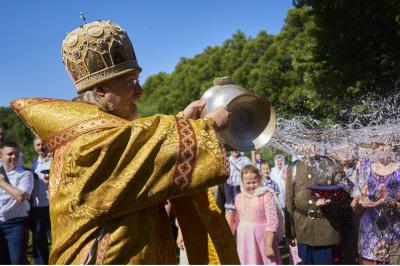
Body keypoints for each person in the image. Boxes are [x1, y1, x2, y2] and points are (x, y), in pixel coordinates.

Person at [12, 20, 239, 264]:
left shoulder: (105, 134)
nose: (140, 91)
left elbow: (141, 147)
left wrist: (184, 121)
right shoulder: (87, 143)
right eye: (130, 82)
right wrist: (208, 126)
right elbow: (145, 149)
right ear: (100, 90)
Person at [285, 144, 342, 265]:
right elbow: (288, 201)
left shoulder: (333, 165)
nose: (313, 147)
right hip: (302, 228)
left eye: (316, 142)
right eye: (308, 142)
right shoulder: (294, 167)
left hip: (325, 226)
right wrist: (289, 231)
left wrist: (330, 202)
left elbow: (344, 195)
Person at [352, 143, 400, 264]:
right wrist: (362, 202)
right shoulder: (364, 167)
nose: (381, 148)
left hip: (395, 237)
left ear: (393, 144)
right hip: (369, 236)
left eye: (385, 144)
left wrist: (393, 203)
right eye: (377, 144)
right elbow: (354, 207)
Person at [232, 164, 282, 265]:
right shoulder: (238, 198)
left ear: (259, 179)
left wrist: (268, 245)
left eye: (254, 182)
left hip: (262, 240)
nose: (251, 186)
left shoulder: (266, 195)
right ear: (242, 182)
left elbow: (272, 222)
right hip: (244, 240)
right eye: (248, 183)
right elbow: (236, 220)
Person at [0, 141, 34, 264]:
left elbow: (21, 196)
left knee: (17, 261)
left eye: (16, 154)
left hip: (16, 224)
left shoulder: (25, 173)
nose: (13, 157)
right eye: (10, 154)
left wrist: (2, 183)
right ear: (1, 156)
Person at [30, 137, 52, 265]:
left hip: (51, 204)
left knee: (55, 238)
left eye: (43, 144)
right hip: (37, 206)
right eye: (38, 145)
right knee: (39, 239)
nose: (40, 147)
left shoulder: (54, 161)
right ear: (34, 147)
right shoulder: (34, 164)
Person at [224, 150, 252, 228]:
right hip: (229, 192)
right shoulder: (226, 160)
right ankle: (230, 236)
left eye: (236, 147)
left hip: (242, 192)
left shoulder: (246, 160)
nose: (235, 150)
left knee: (243, 214)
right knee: (229, 211)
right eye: (232, 148)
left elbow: (253, 176)